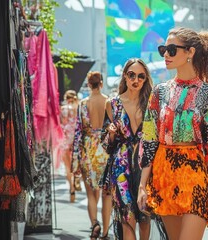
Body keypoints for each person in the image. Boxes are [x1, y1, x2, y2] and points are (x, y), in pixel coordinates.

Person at [137, 27, 208, 240]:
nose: (165, 55)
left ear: (190, 52)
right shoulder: (160, 92)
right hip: (164, 176)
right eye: (163, 49)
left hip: (195, 176)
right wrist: (142, 186)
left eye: (172, 49)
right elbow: (149, 140)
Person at [100, 59, 153, 240]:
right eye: (131, 75)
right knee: (126, 215)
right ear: (125, 76)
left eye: (141, 76)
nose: (135, 80)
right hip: (121, 166)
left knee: (145, 216)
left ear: (145, 79)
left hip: (146, 165)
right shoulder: (112, 104)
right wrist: (112, 135)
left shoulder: (151, 103)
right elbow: (105, 144)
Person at [72, 72, 112, 240]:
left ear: (88, 85)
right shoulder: (109, 102)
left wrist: (75, 160)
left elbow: (78, 134)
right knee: (106, 193)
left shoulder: (82, 104)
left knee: (91, 193)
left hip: (88, 151)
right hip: (105, 150)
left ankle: (95, 223)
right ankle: (104, 233)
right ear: (101, 84)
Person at [59, 90, 79, 202]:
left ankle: (71, 188)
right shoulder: (78, 108)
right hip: (76, 139)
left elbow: (62, 124)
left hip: (65, 138)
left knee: (67, 167)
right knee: (76, 164)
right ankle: (76, 180)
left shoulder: (63, 109)